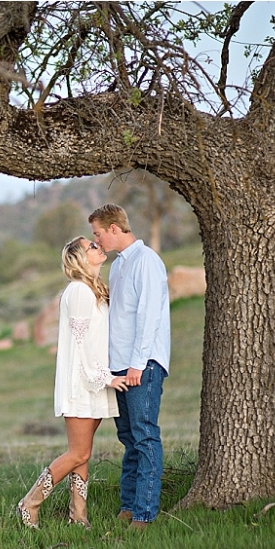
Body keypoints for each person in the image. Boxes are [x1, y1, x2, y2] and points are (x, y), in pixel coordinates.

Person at [17, 236, 128, 529]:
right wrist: (106, 377)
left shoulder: (93, 289)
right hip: (82, 382)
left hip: (94, 382)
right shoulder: (78, 291)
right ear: (79, 258)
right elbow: (80, 344)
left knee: (83, 451)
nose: (98, 246)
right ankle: (30, 503)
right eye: (91, 246)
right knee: (78, 452)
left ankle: (78, 516)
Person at [88, 204, 170, 532]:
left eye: (97, 233)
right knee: (128, 437)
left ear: (113, 228)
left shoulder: (146, 261)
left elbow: (149, 317)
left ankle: (145, 513)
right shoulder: (119, 266)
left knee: (145, 436)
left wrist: (137, 364)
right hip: (120, 368)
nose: (97, 241)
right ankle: (128, 505)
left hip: (142, 365)